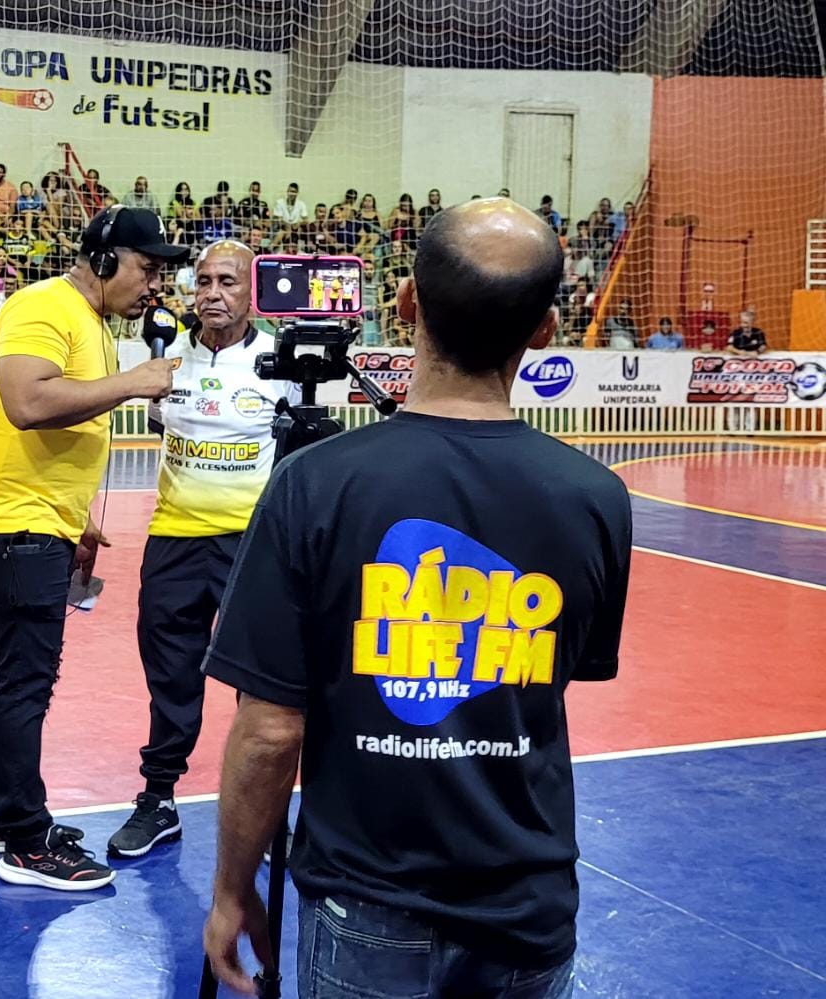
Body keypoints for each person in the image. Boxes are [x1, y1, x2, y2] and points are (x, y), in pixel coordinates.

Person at [200, 198, 632, 998]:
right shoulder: (596, 497)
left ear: (406, 302)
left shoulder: (314, 484)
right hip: (529, 906)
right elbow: (542, 681)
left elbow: (270, 730)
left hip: (370, 900)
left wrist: (232, 887)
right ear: (546, 329)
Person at [0, 205, 186, 891]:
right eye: (146, 269)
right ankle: (26, 841)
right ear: (105, 260)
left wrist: (76, 521)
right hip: (13, 527)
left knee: (5, 675)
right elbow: (26, 402)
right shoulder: (43, 306)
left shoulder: (90, 322)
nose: (153, 286)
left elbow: (66, 426)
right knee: (25, 683)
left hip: (32, 524)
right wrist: (136, 381)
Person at [106, 240, 298, 859]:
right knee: (171, 677)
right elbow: (160, 430)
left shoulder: (283, 363)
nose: (213, 293)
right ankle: (158, 800)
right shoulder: (166, 359)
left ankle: (266, 815)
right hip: (175, 541)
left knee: (259, 686)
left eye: (228, 282)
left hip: (254, 548)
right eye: (204, 281)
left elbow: (301, 462)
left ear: (253, 292)